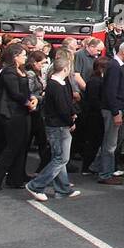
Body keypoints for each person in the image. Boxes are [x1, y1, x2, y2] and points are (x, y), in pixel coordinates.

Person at [27, 51, 82, 201]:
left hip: (60, 125)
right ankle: (36, 185)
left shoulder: (61, 83)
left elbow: (67, 103)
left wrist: (73, 114)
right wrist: (71, 121)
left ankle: (63, 189)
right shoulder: (55, 85)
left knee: (60, 158)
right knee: (60, 159)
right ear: (65, 69)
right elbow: (61, 108)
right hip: (57, 126)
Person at [0, 43, 36, 191]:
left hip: (22, 112)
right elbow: (14, 93)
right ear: (15, 57)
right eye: (23, 55)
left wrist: (32, 98)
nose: (25, 58)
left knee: (22, 145)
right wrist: (28, 102)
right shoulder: (8, 72)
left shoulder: (20, 70)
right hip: (11, 112)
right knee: (13, 146)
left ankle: (16, 178)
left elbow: (25, 90)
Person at [96, 41, 124, 185]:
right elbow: (110, 91)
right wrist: (116, 112)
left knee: (111, 141)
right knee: (110, 143)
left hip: (117, 107)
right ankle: (105, 173)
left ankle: (100, 167)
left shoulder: (118, 66)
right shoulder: (114, 66)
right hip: (113, 109)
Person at [78, 57, 108, 175]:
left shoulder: (94, 80)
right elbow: (94, 100)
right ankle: (87, 166)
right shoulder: (95, 81)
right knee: (93, 141)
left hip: (93, 114)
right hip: (93, 115)